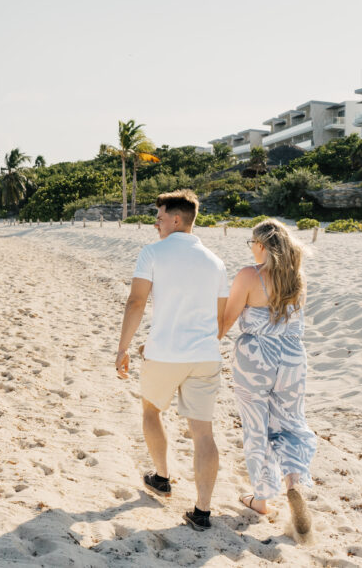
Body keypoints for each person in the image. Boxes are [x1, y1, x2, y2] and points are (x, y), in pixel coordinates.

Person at [116, 189, 229, 531]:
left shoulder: (152, 253)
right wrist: (202, 343)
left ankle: (162, 477)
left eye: (160, 217)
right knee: (203, 433)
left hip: (164, 353)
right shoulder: (215, 261)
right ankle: (202, 511)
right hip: (206, 356)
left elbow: (135, 303)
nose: (156, 223)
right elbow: (221, 318)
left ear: (176, 220)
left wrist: (123, 348)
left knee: (151, 411)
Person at [218, 218, 315, 538]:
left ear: (261, 246)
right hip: (292, 358)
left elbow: (226, 322)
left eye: (252, 243)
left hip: (256, 358)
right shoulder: (296, 278)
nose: (251, 249)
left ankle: (260, 498)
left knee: (257, 425)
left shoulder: (250, 275)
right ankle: (293, 484)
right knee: (290, 422)